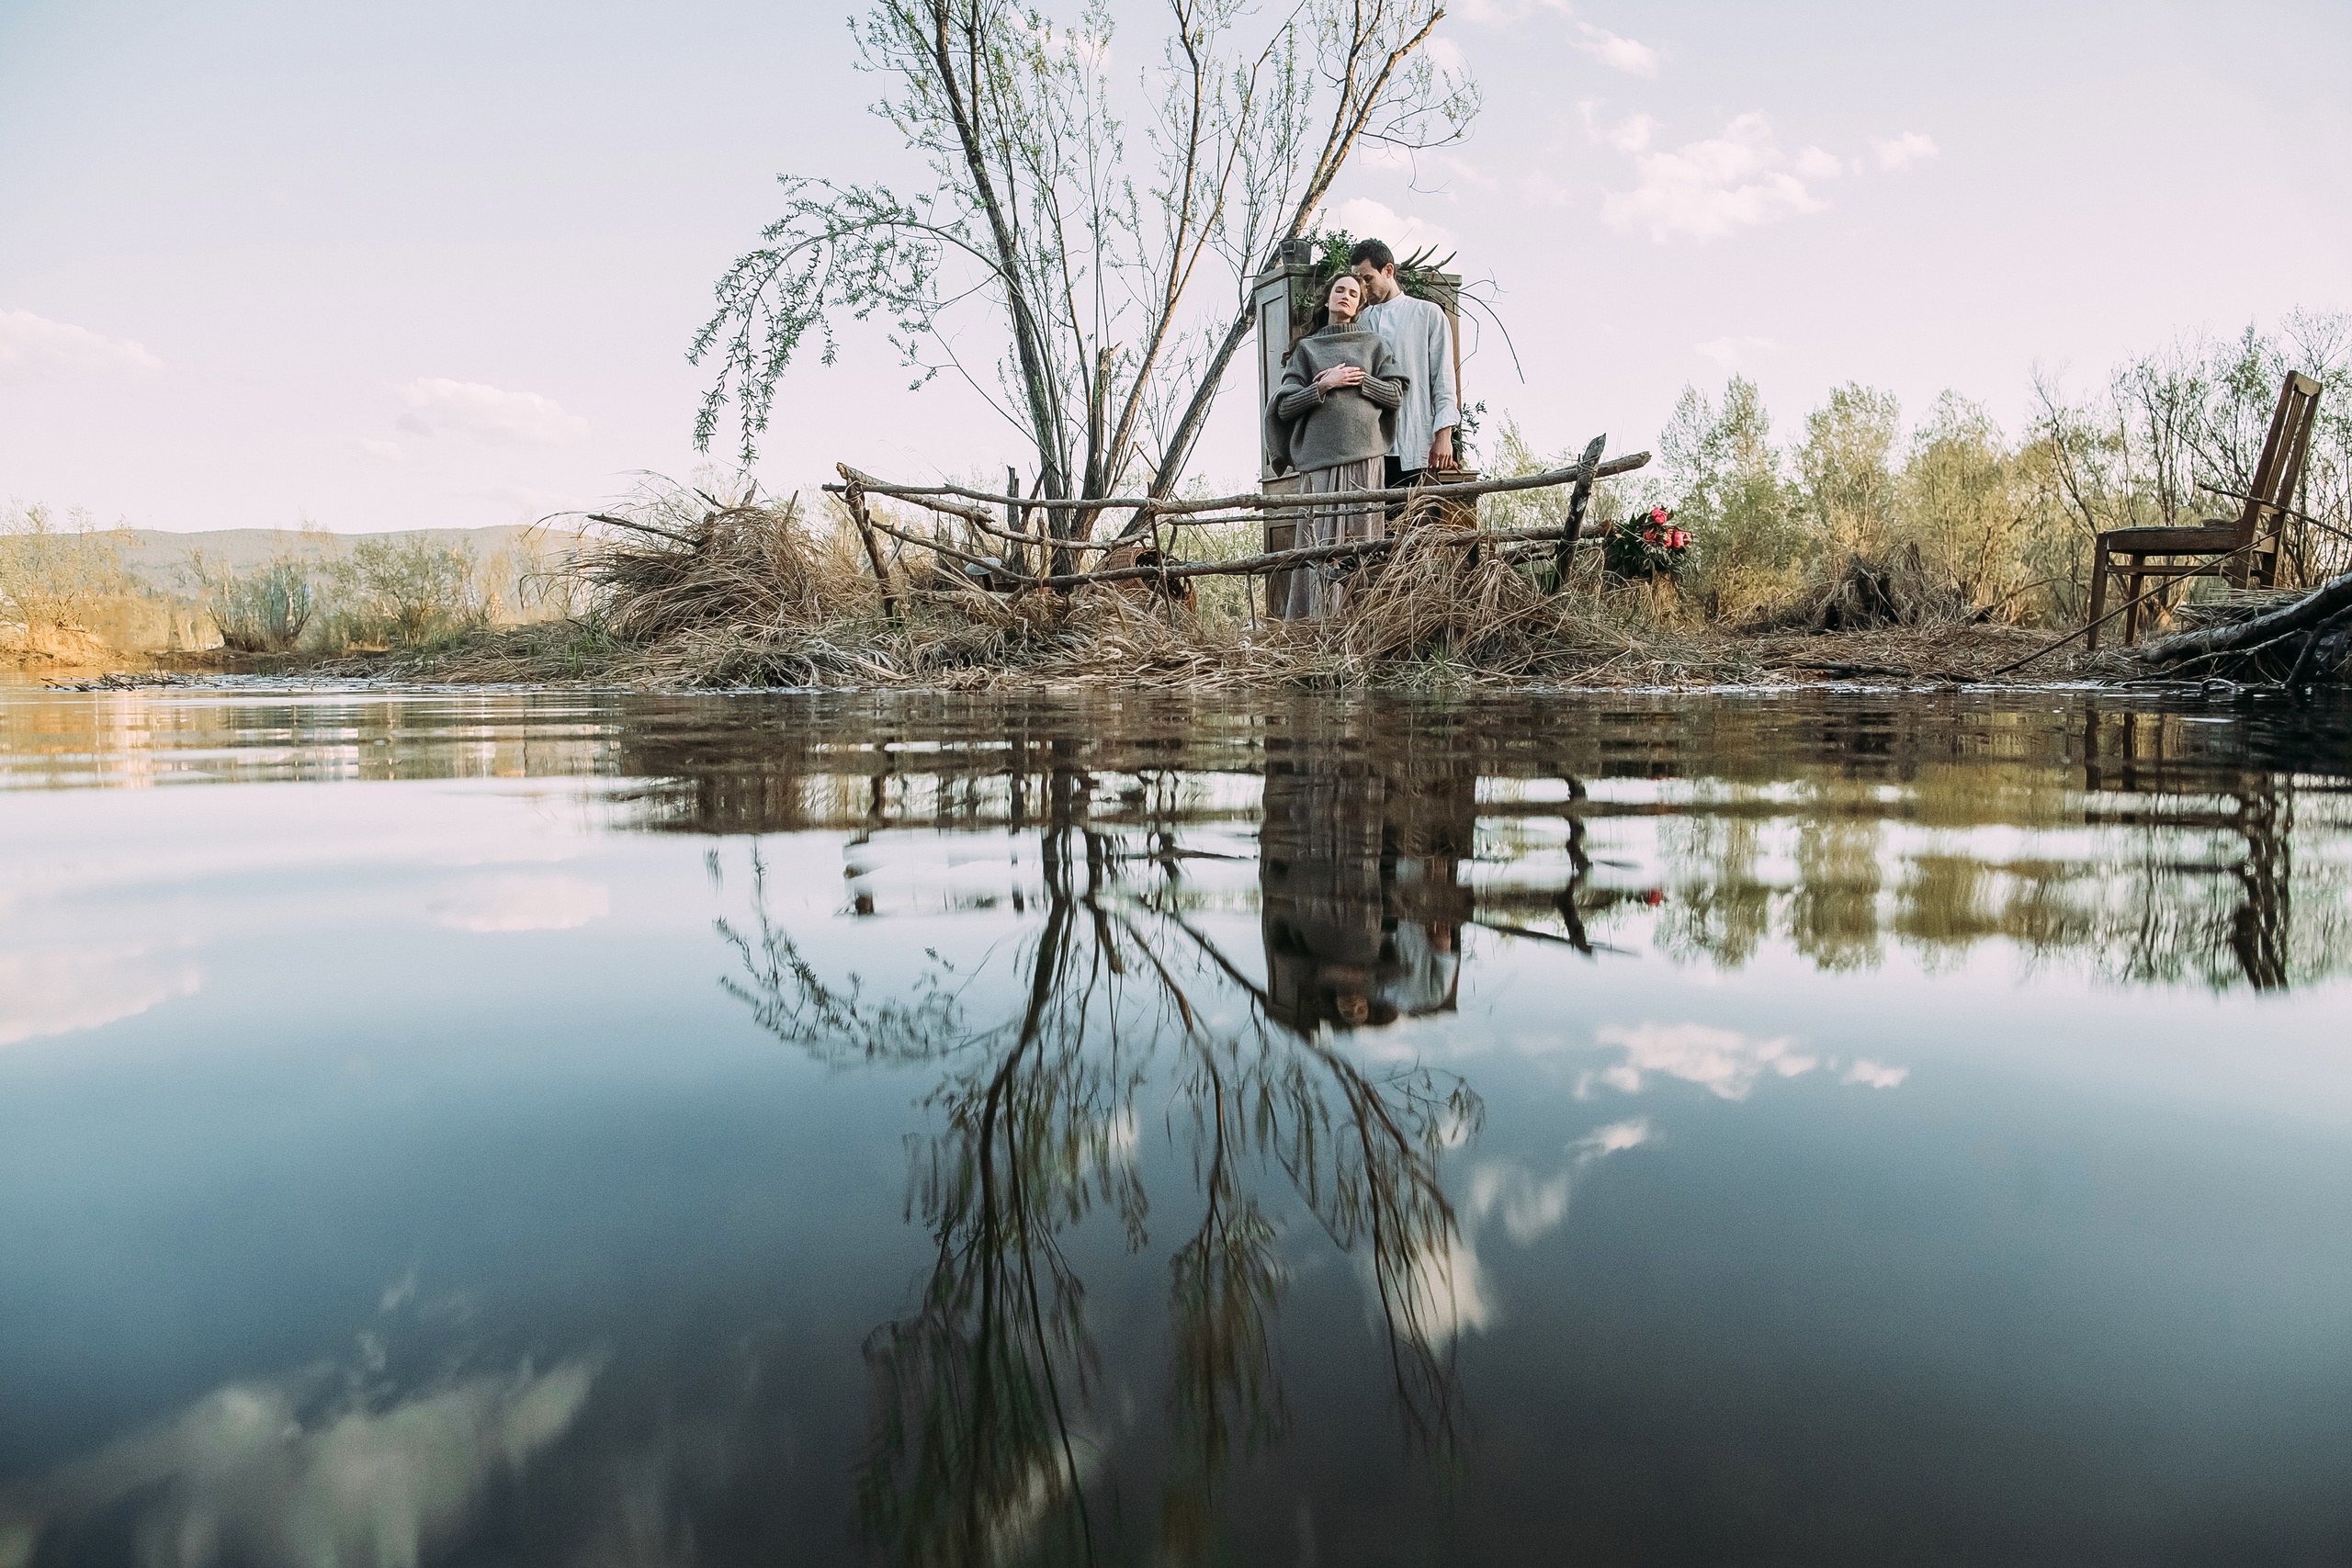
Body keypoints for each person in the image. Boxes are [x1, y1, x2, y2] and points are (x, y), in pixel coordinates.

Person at [1262, 273, 1406, 619]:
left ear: (1360, 304)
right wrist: (1323, 386)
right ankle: (1316, 624)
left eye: (1353, 293)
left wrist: (1359, 380)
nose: (1345, 295)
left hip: (1365, 459)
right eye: (1339, 289)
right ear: (1327, 299)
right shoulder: (1307, 350)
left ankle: (1361, 623)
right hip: (1320, 462)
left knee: (1362, 545)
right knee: (1319, 546)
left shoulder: (1374, 345)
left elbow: (1396, 395)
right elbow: (1283, 407)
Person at [1348, 238, 1460, 505]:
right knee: (1373, 535)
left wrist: (1444, 438)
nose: (1363, 287)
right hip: (1372, 447)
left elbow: (1443, 382)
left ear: (1388, 271)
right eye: (1358, 280)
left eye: (1367, 278)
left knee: (1414, 532)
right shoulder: (1360, 322)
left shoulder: (1428, 315)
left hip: (1417, 445)